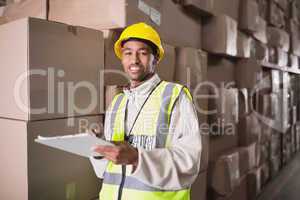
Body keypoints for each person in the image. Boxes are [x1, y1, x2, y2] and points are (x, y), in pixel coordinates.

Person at [90, 22, 202, 200]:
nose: (134, 60)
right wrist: (99, 149)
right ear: (122, 58)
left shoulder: (175, 96)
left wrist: (137, 158)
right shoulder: (118, 102)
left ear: (155, 58)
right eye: (128, 53)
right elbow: (105, 172)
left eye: (142, 53)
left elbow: (188, 164)